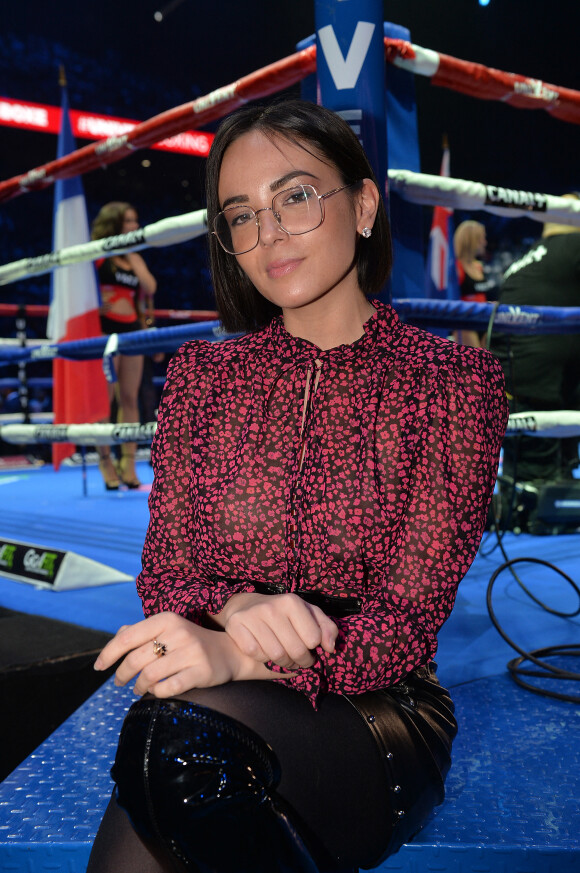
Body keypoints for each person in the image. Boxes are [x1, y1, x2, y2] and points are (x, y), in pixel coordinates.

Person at [87, 100, 507, 873]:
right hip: (215, 696)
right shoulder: (203, 379)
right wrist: (238, 610)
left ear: (366, 204)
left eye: (296, 196)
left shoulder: (454, 382)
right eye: (241, 214)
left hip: (378, 703)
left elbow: (406, 622)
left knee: (172, 742)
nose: (270, 231)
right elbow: (168, 570)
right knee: (173, 749)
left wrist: (241, 657)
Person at [490, 195, 580, 520]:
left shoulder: (525, 258)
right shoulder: (573, 245)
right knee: (540, 487)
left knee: (529, 475)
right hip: (540, 381)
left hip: (511, 378)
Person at [91, 202, 157, 490]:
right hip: (103, 331)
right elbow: (81, 289)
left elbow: (150, 288)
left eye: (135, 220)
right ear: (114, 223)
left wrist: (131, 253)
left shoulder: (133, 257)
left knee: (129, 398)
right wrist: (94, 304)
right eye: (129, 221)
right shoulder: (97, 253)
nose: (134, 225)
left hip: (131, 331)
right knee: (103, 401)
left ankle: (127, 463)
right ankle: (105, 462)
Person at [453, 220, 497, 348]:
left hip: (484, 321)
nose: (485, 242)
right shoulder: (456, 268)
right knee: (472, 365)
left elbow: (480, 295)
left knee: (485, 364)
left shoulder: (479, 267)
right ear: (472, 240)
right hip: (466, 323)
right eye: (482, 238)